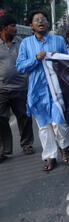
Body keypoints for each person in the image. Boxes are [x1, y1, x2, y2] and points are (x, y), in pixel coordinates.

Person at [16, 10, 69, 171]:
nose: (40, 21)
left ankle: (64, 146)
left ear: (48, 23)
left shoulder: (58, 40)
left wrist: (57, 59)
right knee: (44, 126)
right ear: (31, 25)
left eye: (43, 19)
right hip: (37, 92)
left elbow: (68, 64)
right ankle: (50, 156)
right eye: (36, 20)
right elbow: (20, 66)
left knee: (59, 122)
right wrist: (36, 59)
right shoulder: (26, 44)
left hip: (56, 90)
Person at [0, 15, 34, 163]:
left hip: (21, 87)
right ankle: (3, 150)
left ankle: (27, 144)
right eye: (12, 25)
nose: (15, 28)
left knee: (24, 117)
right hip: (2, 89)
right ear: (4, 28)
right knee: (1, 119)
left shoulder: (21, 44)